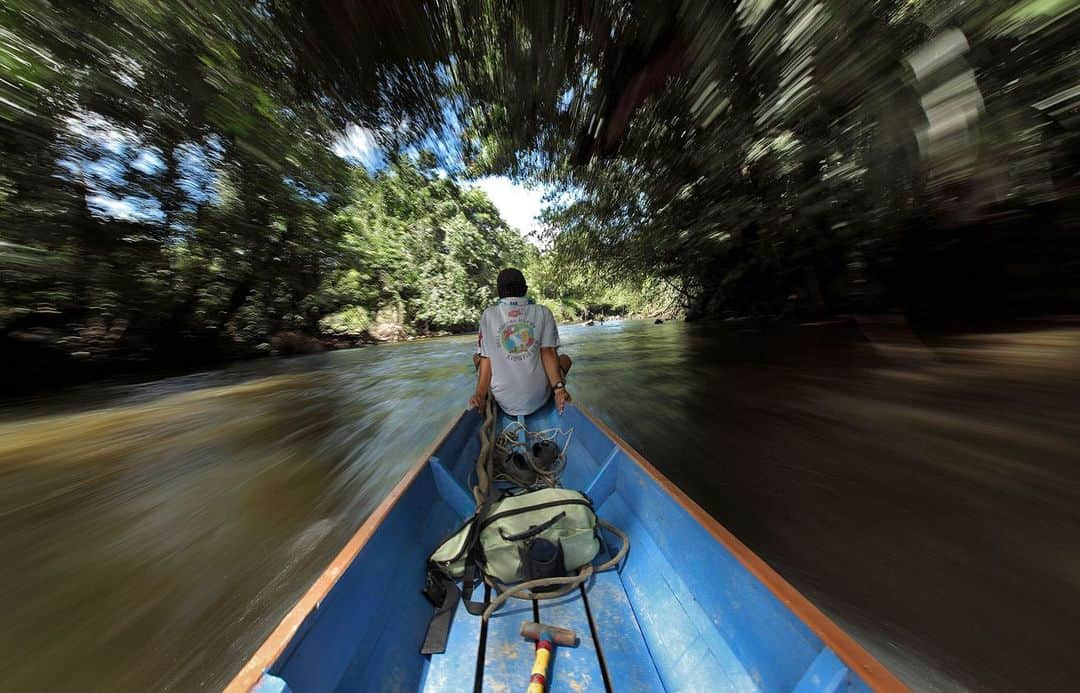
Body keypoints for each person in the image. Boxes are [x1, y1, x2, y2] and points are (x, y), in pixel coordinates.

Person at [469, 268, 573, 415]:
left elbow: (487, 358)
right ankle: (555, 388)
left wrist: (479, 395)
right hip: (539, 398)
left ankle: (485, 394)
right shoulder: (543, 312)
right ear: (525, 289)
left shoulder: (489, 315)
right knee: (565, 359)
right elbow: (548, 352)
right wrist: (559, 390)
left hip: (504, 401)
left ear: (498, 292)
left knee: (477, 357)